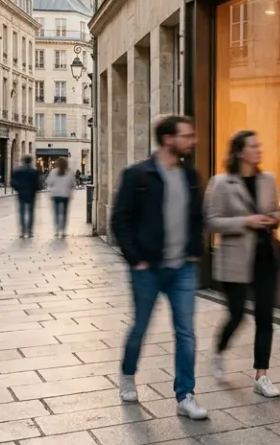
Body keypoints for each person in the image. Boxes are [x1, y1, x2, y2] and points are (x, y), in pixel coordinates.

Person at [111, 115, 207, 420]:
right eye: (187, 136)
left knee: (186, 332)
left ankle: (185, 395)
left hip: (182, 268)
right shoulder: (138, 175)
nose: (193, 141)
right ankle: (127, 374)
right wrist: (135, 259)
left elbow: (196, 217)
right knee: (140, 327)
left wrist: (194, 250)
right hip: (147, 268)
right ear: (169, 139)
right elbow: (120, 220)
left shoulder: (190, 176)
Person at [204, 130, 280, 399]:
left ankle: (262, 376)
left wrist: (273, 219)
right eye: (253, 146)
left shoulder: (268, 180)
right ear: (239, 152)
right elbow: (211, 221)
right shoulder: (221, 183)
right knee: (237, 314)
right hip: (234, 259)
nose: (259, 149)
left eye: (260, 145)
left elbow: (276, 212)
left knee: (265, 318)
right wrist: (245, 222)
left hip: (264, 258)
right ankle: (218, 350)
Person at [11, 156, 39, 238]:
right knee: (30, 212)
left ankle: (23, 231)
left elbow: (13, 182)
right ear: (30, 161)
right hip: (31, 194)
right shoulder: (34, 171)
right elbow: (37, 184)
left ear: (23, 161)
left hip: (21, 193)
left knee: (22, 213)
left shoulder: (18, 171)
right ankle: (29, 231)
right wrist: (35, 190)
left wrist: (18, 188)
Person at [46, 158, 74, 239]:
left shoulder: (53, 172)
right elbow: (73, 184)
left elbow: (49, 183)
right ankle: (64, 231)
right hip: (65, 195)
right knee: (64, 214)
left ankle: (57, 230)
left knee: (56, 213)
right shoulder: (69, 172)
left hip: (56, 195)